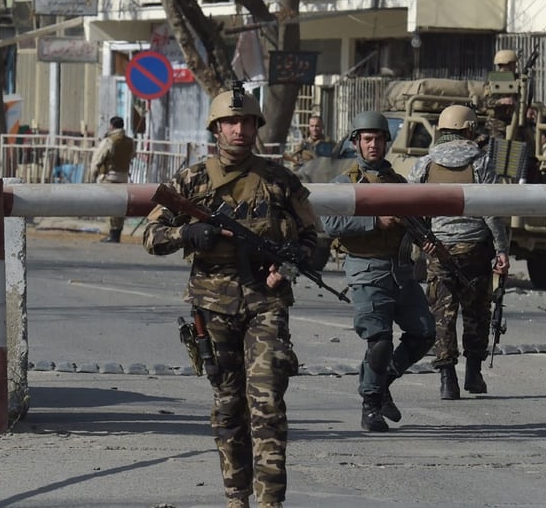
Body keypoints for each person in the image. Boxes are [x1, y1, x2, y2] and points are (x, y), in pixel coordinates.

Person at [142, 86, 317, 508]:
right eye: (231, 122)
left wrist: (288, 263)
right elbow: (150, 235)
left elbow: (315, 241)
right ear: (216, 128)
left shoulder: (280, 181)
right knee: (227, 406)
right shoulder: (192, 180)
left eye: (247, 122)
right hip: (212, 305)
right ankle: (236, 497)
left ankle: (271, 501)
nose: (239, 130)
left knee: (268, 404)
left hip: (266, 302)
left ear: (257, 127)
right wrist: (187, 232)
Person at [321, 111, 436, 432]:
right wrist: (374, 221)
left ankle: (382, 382)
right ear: (357, 142)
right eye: (367, 139)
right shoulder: (345, 182)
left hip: (400, 270)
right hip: (366, 270)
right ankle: (370, 404)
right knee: (380, 340)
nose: (373, 145)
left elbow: (414, 221)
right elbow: (330, 223)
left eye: (379, 139)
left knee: (424, 333)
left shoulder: (399, 183)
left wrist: (422, 237)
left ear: (387, 142)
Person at [407, 105, 509, 400]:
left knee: (443, 314)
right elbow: (492, 212)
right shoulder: (482, 162)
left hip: (438, 250)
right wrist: (502, 250)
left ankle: (446, 381)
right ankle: (473, 375)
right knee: (476, 312)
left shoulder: (424, 163)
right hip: (474, 249)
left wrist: (423, 240)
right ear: (469, 130)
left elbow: (410, 208)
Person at [91, 116, 135, 242]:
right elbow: (132, 155)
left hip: (110, 177)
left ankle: (112, 234)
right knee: (121, 206)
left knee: (110, 206)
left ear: (112, 126)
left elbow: (98, 158)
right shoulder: (130, 141)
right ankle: (117, 233)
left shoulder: (109, 140)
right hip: (123, 176)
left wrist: (94, 174)